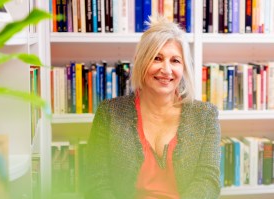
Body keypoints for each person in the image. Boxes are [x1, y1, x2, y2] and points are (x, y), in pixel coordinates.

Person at [85, 15, 221, 199]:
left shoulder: (205, 116)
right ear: (141, 62)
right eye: (157, 58)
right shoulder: (109, 113)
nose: (166, 70)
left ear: (184, 68)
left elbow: (208, 180)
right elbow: (96, 182)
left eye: (175, 61)